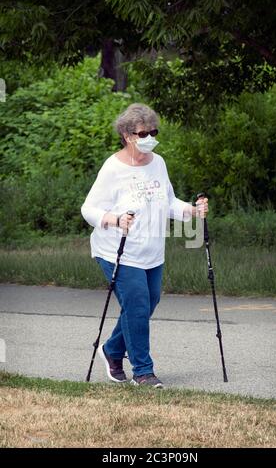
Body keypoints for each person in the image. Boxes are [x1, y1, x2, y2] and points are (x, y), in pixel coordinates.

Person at [81, 103, 208, 388]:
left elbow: (168, 201)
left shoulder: (158, 162)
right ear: (127, 135)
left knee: (149, 301)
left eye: (153, 131)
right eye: (143, 133)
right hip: (118, 251)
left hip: (152, 251)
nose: (149, 137)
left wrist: (192, 210)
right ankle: (143, 372)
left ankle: (112, 350)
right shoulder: (113, 168)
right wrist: (114, 219)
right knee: (137, 306)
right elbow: (88, 209)